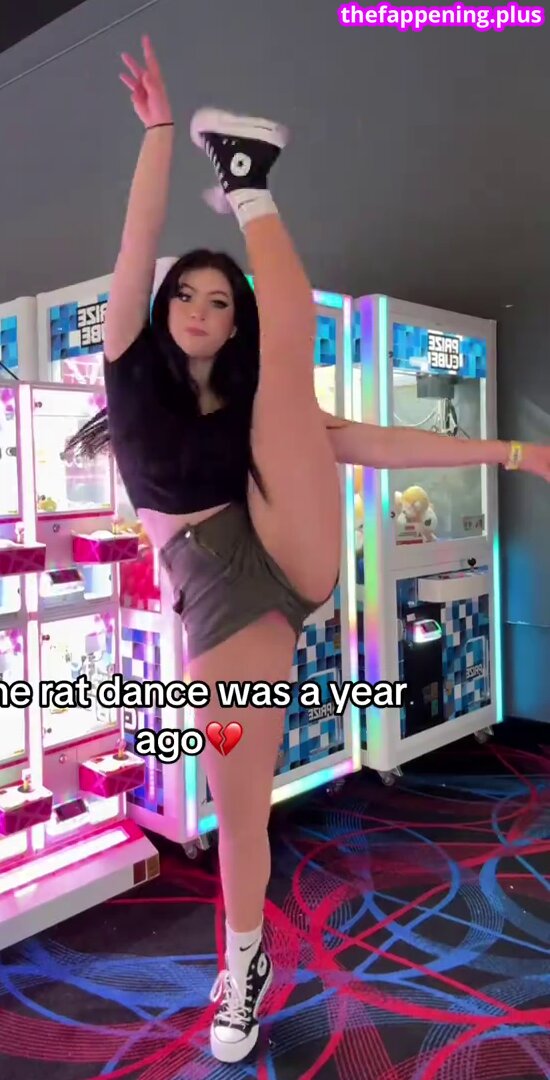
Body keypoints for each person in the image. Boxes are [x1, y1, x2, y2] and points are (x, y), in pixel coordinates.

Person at [65, 37, 550, 1065]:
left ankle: (249, 183)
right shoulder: (128, 368)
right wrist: (158, 135)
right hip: (223, 598)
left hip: (286, 541)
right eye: (187, 296)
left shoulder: (262, 398)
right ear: (160, 308)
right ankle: (241, 965)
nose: (201, 311)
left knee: (289, 381)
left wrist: (513, 452)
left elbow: (366, 442)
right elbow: (135, 240)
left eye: (220, 300)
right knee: (239, 807)